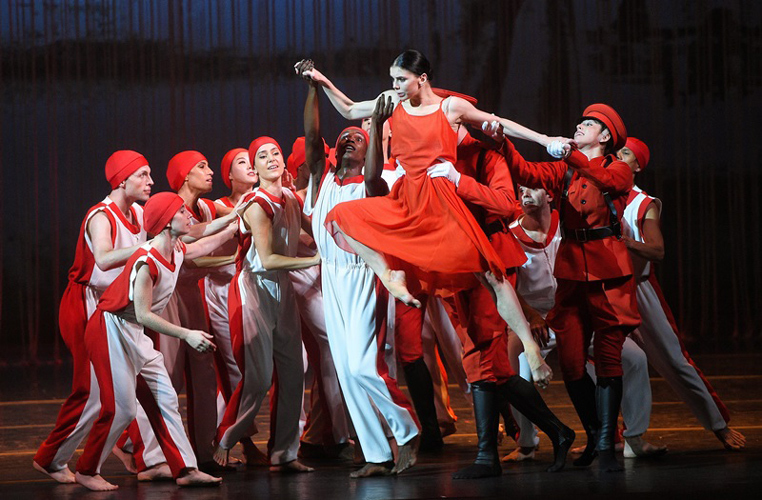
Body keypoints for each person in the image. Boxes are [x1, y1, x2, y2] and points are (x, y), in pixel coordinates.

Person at [295, 50, 557, 393]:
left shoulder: (450, 108)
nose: (395, 85)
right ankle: (388, 273)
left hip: (441, 196)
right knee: (342, 216)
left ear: (422, 78)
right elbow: (348, 109)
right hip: (408, 196)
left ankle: (531, 348)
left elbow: (500, 123)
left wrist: (545, 140)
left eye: (401, 79)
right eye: (392, 79)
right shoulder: (393, 102)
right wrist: (320, 81)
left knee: (489, 273)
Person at [489, 103, 640, 472]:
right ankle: (594, 433)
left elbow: (609, 182)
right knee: (572, 364)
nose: (579, 125)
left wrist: (570, 155)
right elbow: (527, 172)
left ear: (605, 136)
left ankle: (606, 445)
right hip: (572, 275)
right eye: (580, 121)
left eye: (589, 124)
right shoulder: (564, 168)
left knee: (608, 358)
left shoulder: (616, 166)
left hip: (607, 272)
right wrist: (503, 141)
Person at [296, 61, 420, 477]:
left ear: (369, 151)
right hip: (331, 278)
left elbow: (373, 173)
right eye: (344, 138)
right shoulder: (322, 180)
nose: (350, 139)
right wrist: (313, 88)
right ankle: (376, 455)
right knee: (347, 372)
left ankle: (407, 430)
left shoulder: (372, 184)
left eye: (358, 139)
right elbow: (312, 137)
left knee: (365, 366)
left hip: (365, 275)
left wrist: (377, 128)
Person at [74, 191, 235, 491]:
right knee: (123, 409)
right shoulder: (146, 261)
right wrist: (186, 334)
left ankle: (185, 469)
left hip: (133, 331)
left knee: (166, 396)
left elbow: (201, 245)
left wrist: (234, 224)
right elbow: (144, 314)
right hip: (110, 328)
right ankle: (86, 469)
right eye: (181, 212)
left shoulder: (175, 249)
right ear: (166, 223)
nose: (188, 215)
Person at [442, 124, 575, 478]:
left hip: (489, 257)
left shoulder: (485, 156)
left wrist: (457, 179)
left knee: (482, 359)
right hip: (456, 262)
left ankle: (487, 455)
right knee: (493, 366)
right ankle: (558, 433)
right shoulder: (435, 158)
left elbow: (504, 202)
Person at [505, 184, 665, 461]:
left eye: (533, 189)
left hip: (576, 311)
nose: (525, 195)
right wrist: (530, 316)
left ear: (551, 195)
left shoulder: (570, 225)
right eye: (521, 191)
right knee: (516, 367)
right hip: (535, 319)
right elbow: (507, 286)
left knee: (635, 358)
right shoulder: (511, 234)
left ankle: (634, 437)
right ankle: (527, 443)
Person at [617, 137, 745, 452]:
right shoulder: (598, 195)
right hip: (607, 290)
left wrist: (625, 241)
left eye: (626, 153)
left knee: (674, 360)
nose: (618, 156)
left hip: (640, 289)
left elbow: (657, 250)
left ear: (637, 166)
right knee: (605, 364)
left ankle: (718, 424)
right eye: (617, 150)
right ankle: (613, 437)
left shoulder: (643, 203)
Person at [33, 150, 153, 483]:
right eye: (142, 175)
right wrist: (148, 248)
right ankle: (51, 458)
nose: (150, 181)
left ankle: (125, 444)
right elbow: (103, 258)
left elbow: (175, 230)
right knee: (92, 389)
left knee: (123, 386)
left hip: (113, 306)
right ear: (122, 180)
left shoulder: (139, 213)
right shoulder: (100, 215)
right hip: (85, 304)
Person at [213, 136, 319, 473]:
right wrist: (315, 260)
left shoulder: (290, 197)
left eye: (275, 152)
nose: (271, 158)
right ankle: (225, 439)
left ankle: (284, 453)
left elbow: (314, 231)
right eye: (262, 156)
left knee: (293, 374)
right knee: (259, 379)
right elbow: (269, 259)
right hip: (255, 289)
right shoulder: (257, 203)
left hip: (282, 288)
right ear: (255, 168)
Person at [204, 148, 268, 465]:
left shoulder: (263, 199)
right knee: (234, 367)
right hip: (220, 291)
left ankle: (230, 435)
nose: (250, 166)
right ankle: (238, 440)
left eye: (251, 160)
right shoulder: (219, 206)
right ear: (228, 175)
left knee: (256, 368)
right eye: (241, 162)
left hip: (253, 289)